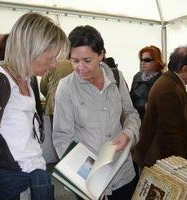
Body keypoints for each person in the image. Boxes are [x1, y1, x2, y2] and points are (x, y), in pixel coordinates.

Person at [53, 25, 140, 200]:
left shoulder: (116, 77)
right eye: (74, 61)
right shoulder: (66, 87)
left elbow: (131, 113)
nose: (80, 68)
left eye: (87, 60)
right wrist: (90, 179)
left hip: (123, 172)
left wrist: (128, 133)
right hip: (89, 176)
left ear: (101, 55)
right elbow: (63, 138)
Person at [0, 12, 69, 200]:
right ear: (30, 49)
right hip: (9, 184)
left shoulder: (27, 79)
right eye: (51, 57)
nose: (54, 64)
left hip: (37, 176)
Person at [133, 45, 187, 168]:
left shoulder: (170, 82)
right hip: (160, 163)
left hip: (158, 159)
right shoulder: (170, 89)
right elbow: (169, 137)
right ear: (185, 69)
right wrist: (177, 167)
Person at [130, 45, 165, 121]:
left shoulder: (163, 80)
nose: (143, 62)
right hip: (136, 120)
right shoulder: (137, 76)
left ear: (156, 61)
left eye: (147, 60)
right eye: (141, 59)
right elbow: (130, 99)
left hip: (154, 122)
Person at [40, 60, 73, 127]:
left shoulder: (51, 65)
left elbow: (43, 87)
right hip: (71, 104)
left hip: (53, 104)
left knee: (56, 133)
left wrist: (49, 96)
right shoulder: (75, 65)